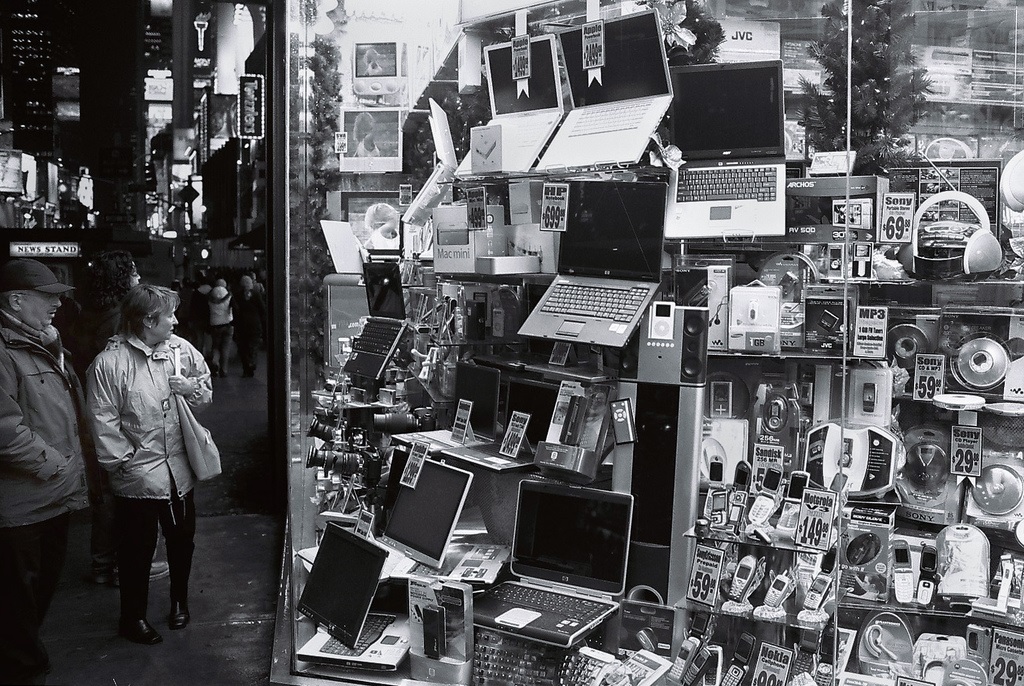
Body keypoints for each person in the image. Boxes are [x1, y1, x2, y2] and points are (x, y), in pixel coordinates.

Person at [86, 285, 212, 646]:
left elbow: (205, 393)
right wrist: (124, 463)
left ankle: (179, 602)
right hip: (139, 476)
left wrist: (192, 389)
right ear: (146, 321)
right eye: (168, 315)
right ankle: (133, 617)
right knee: (136, 550)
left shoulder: (181, 350)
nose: (175, 320)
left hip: (180, 471)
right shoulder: (110, 364)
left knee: (181, 541)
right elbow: (102, 420)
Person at [0, 258, 93, 684]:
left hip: (53, 496)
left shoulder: (44, 341)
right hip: (21, 505)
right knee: (17, 602)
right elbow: (4, 431)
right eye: (48, 297)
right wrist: (57, 464)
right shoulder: (5, 350)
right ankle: (23, 669)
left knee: (38, 591)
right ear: (16, 301)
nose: (57, 304)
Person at [66, 251, 170, 587]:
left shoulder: (87, 312)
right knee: (120, 496)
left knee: (105, 494)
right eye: (133, 271)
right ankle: (115, 564)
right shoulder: (117, 322)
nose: (138, 277)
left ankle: (103, 563)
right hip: (116, 413)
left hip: (86, 404)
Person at [232, 274, 266, 377]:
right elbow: (262, 309)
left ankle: (246, 367)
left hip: (242, 324)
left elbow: (235, 309)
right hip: (254, 323)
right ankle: (252, 361)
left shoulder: (237, 295)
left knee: (243, 347)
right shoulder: (256, 294)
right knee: (253, 345)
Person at [207, 279, 233, 377]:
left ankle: (215, 362)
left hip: (214, 325)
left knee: (216, 346)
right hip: (227, 324)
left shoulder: (210, 298)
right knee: (225, 348)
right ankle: (224, 370)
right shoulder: (229, 297)